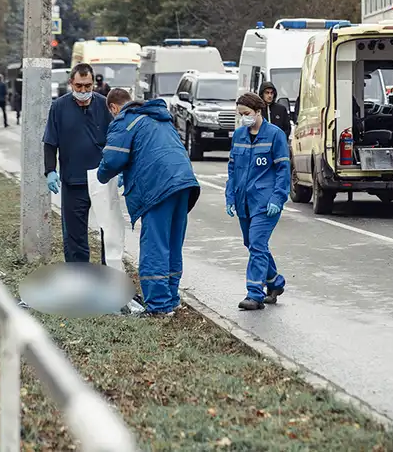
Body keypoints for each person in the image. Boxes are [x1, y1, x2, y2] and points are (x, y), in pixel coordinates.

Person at [97, 88, 200, 316]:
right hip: (183, 182)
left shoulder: (125, 120)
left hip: (158, 186)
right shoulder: (159, 118)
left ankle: (158, 306)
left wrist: (100, 175)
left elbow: (113, 158)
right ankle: (171, 299)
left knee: (155, 245)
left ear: (114, 108)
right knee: (172, 243)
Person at [225, 93, 290, 311]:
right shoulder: (239, 136)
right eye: (241, 114)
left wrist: (278, 197)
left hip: (265, 202)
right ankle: (275, 283)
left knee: (257, 243)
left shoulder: (275, 135)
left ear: (259, 112)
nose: (244, 118)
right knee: (251, 244)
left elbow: (283, 169)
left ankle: (255, 294)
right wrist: (230, 196)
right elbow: (232, 169)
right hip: (244, 201)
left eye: (247, 114)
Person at [43, 63, 114, 263]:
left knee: (109, 233)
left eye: (88, 86)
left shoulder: (104, 105)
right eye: (79, 86)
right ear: (71, 83)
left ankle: (108, 278)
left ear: (94, 84)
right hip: (74, 180)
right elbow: (50, 142)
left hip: (102, 179)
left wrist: (122, 168)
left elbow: (117, 140)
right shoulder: (59, 107)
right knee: (75, 237)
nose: (83, 91)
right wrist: (50, 170)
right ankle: (78, 280)